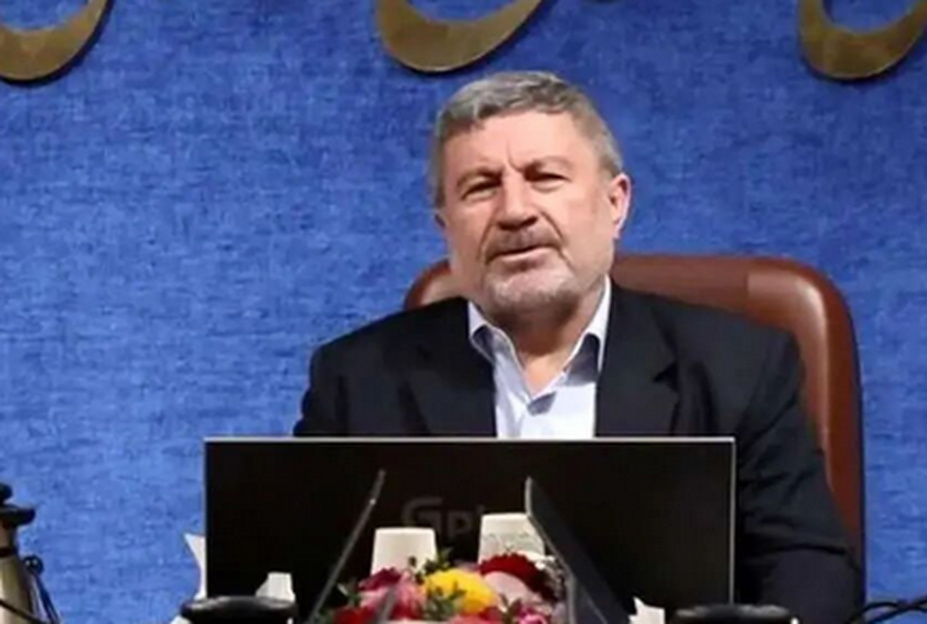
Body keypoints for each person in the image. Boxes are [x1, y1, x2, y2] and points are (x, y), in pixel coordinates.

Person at [294, 71, 861, 623]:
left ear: (616, 204)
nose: (514, 211)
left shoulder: (738, 368)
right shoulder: (356, 380)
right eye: (481, 187)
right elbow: (301, 581)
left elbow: (813, 571)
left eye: (544, 177)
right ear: (446, 228)